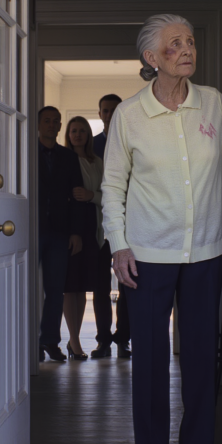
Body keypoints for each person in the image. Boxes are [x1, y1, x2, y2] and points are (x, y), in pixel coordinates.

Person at [102, 14, 222, 444]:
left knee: (201, 352)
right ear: (151, 58)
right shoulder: (129, 115)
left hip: (205, 249)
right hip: (146, 253)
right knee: (149, 355)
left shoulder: (213, 104)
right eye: (175, 44)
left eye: (190, 41)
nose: (187, 50)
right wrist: (119, 245)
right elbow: (112, 187)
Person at [37, 105, 84, 362]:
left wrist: (75, 232)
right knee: (28, 288)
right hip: (31, 231)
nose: (51, 125)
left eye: (56, 121)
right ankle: (30, 341)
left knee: (55, 289)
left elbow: (77, 196)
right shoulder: (25, 152)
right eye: (47, 120)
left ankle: (50, 341)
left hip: (59, 232)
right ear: (38, 124)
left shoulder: (68, 157)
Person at [90, 93, 131, 360]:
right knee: (100, 287)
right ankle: (103, 339)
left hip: (127, 223)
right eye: (105, 110)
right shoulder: (90, 145)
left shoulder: (131, 139)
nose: (109, 115)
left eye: (114, 110)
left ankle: (123, 339)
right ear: (100, 113)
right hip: (96, 226)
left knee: (127, 284)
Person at [62, 116, 104, 360]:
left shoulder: (97, 161)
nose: (77, 135)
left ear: (88, 135)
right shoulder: (65, 160)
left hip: (93, 227)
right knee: (70, 287)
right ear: (68, 135)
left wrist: (91, 195)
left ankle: (73, 339)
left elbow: (106, 193)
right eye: (73, 131)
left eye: (81, 131)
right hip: (72, 228)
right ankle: (75, 341)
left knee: (82, 288)